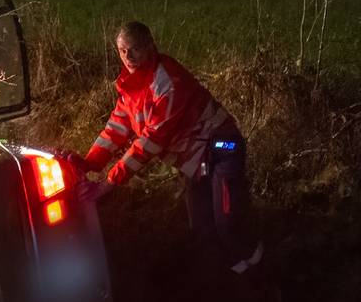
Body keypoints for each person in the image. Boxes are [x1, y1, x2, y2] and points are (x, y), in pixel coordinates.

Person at [71, 21, 261, 273]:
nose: (128, 56)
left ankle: (257, 265)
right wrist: (86, 164)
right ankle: (229, 277)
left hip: (221, 148)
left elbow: (150, 142)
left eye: (135, 49)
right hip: (197, 160)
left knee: (226, 220)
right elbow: (115, 129)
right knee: (202, 227)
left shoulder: (167, 83)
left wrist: (107, 183)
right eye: (122, 50)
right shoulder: (132, 86)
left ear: (150, 47)